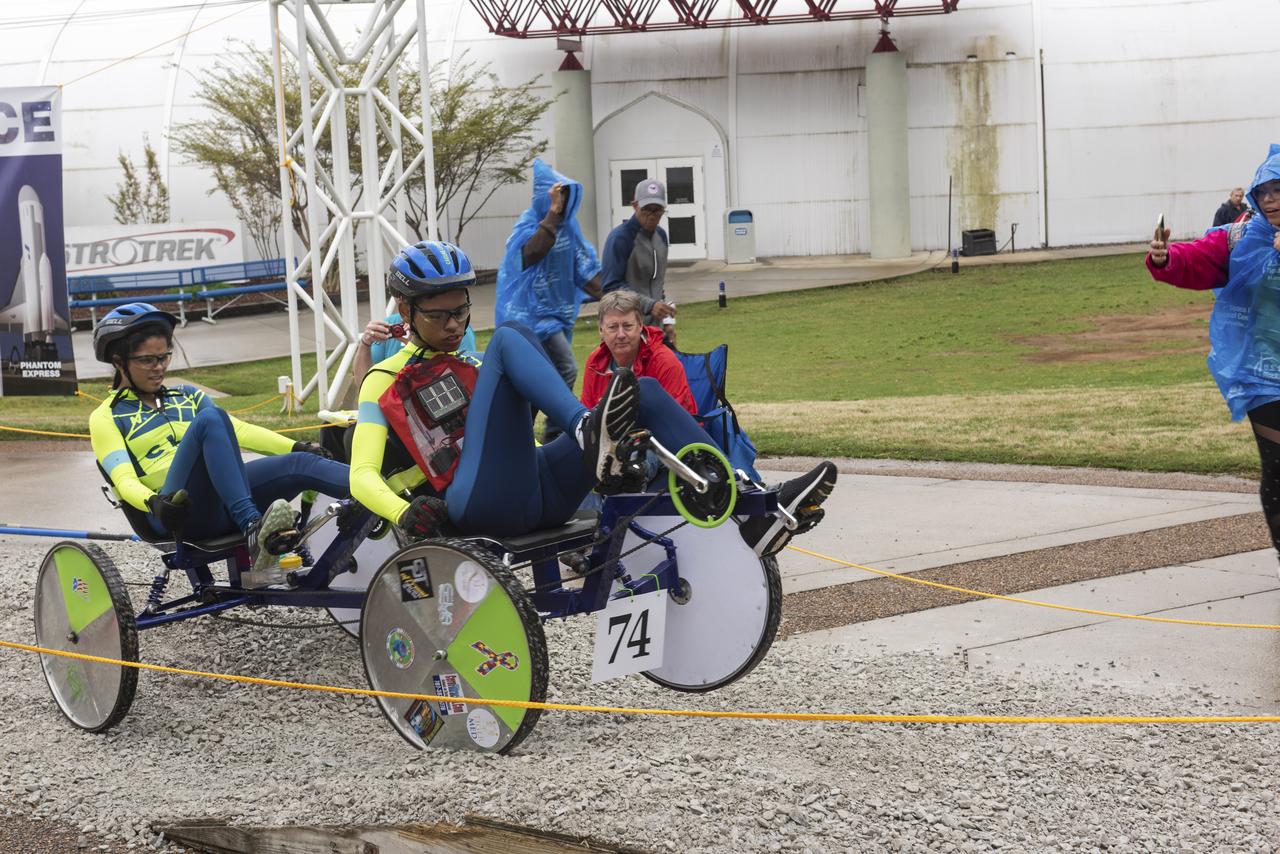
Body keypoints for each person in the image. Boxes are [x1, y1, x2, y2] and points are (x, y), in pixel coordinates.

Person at [349, 240, 837, 557]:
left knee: (642, 390)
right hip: (477, 503)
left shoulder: (474, 368)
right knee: (510, 334)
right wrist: (403, 513)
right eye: (439, 316)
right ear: (405, 310)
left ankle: (753, 507)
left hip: (542, 492)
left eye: (461, 311)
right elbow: (361, 477)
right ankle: (586, 428)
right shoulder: (383, 378)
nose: (454, 325)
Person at [88, 303, 351, 581]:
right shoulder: (106, 416)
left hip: (224, 502)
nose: (159, 367)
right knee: (211, 418)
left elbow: (239, 430)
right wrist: (153, 502)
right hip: (177, 512)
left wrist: (295, 447)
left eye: (165, 357)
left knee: (301, 462)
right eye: (147, 360)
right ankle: (252, 528)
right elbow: (123, 479)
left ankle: (380, 497)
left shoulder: (187, 396)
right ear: (119, 361)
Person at [1146, 144, 1280, 577]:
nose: (1272, 199)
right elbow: (1200, 256)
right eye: (1265, 191)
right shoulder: (1241, 235)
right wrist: (1166, 257)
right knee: (1277, 464)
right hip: (1262, 372)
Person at [494, 158, 603, 391]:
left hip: (555, 313)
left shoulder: (569, 228)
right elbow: (531, 253)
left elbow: (583, 269)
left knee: (539, 374)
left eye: (565, 197)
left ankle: (538, 424)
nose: (562, 203)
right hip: (529, 315)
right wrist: (552, 213)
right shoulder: (528, 225)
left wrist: (614, 294)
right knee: (566, 368)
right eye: (557, 197)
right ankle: (556, 426)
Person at [581, 289, 696, 417]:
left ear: (640, 325)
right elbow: (587, 416)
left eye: (627, 326)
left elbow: (676, 422)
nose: (621, 335)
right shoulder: (595, 362)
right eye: (612, 327)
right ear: (601, 330)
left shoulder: (664, 362)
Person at [601, 177, 677, 330]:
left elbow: (658, 284)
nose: (652, 215)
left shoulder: (661, 236)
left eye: (658, 210)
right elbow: (611, 288)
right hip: (626, 329)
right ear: (635, 206)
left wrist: (668, 322)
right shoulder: (620, 238)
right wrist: (649, 305)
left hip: (656, 330)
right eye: (647, 209)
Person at [352, 312, 477, 382]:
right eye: (397, 295)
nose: (401, 300)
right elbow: (363, 383)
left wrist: (416, 344)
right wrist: (365, 343)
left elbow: (464, 379)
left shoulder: (452, 328)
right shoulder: (389, 324)